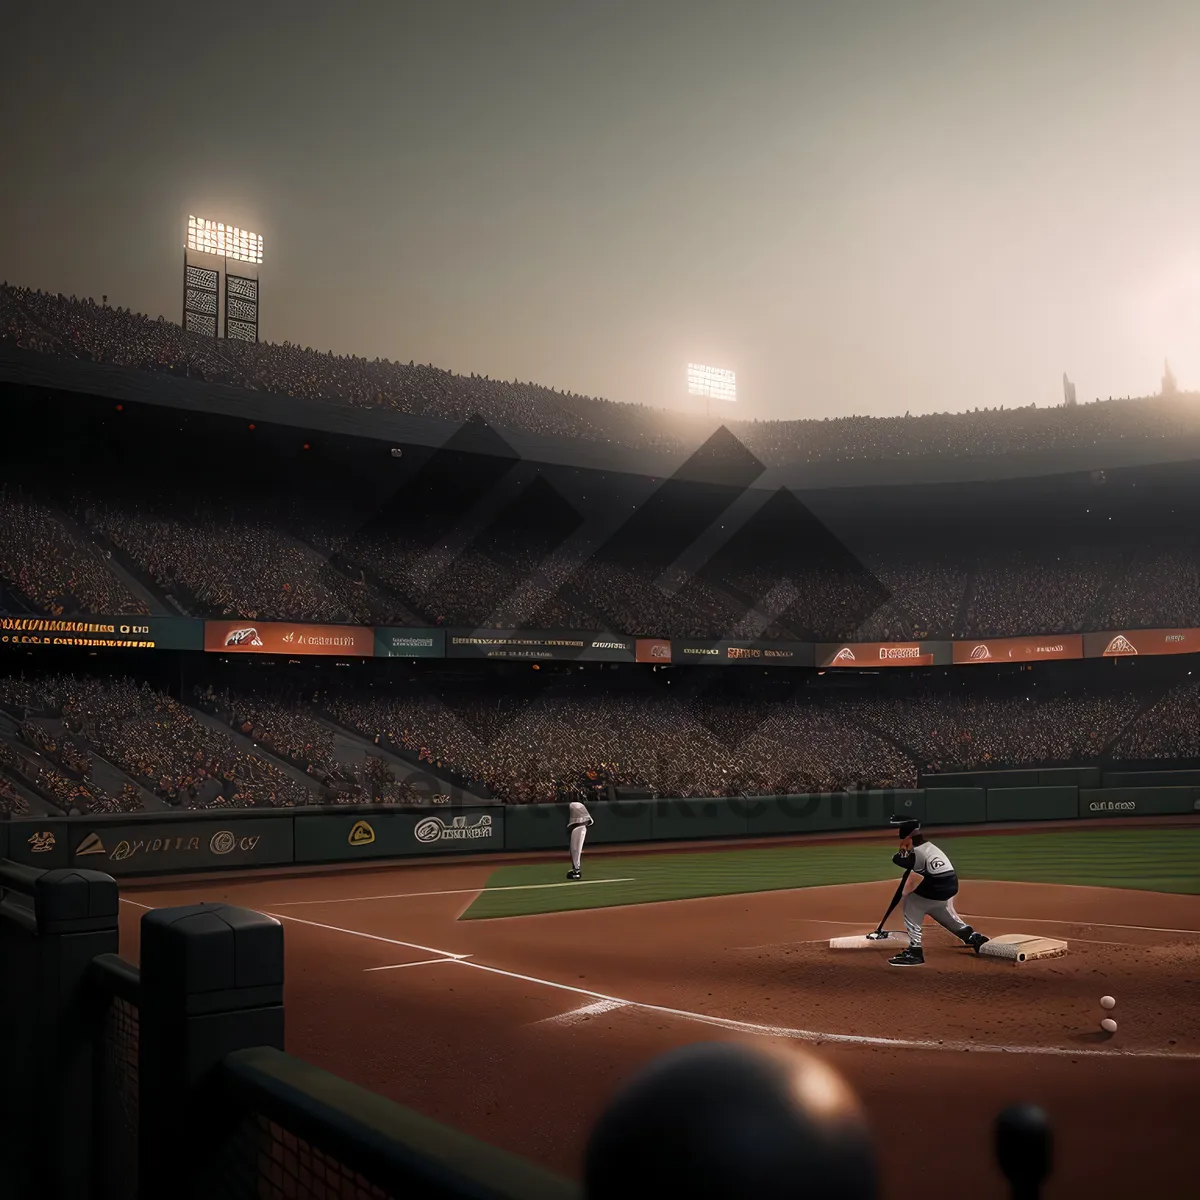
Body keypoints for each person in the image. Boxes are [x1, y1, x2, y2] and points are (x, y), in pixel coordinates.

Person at [888, 819, 989, 967]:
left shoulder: (917, 852)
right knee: (938, 907)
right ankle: (972, 937)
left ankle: (915, 951)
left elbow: (899, 860)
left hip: (939, 885)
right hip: (950, 884)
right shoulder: (929, 847)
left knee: (912, 902)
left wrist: (903, 848)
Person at [567, 798, 594, 880]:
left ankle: (576, 871)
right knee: (574, 850)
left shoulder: (576, 805)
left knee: (576, 850)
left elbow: (575, 806)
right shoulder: (575, 805)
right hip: (578, 827)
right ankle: (575, 870)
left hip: (580, 828)